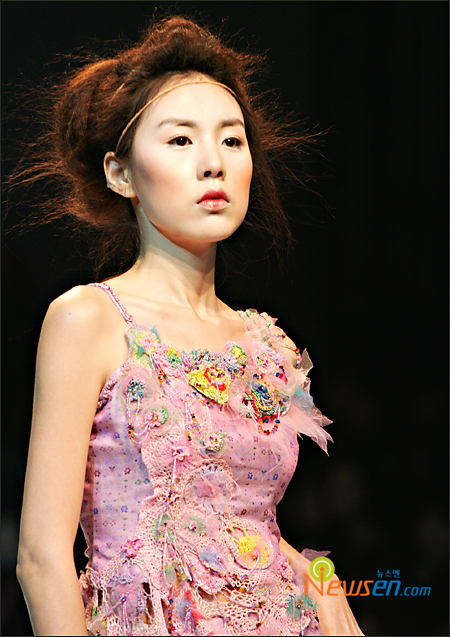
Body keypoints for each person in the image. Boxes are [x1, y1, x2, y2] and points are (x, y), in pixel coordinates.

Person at [15, 16, 363, 636]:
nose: (213, 164)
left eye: (232, 140)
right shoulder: (90, 319)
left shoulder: (266, 343)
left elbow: (247, 527)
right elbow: (42, 559)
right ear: (121, 174)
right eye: (180, 140)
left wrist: (319, 577)